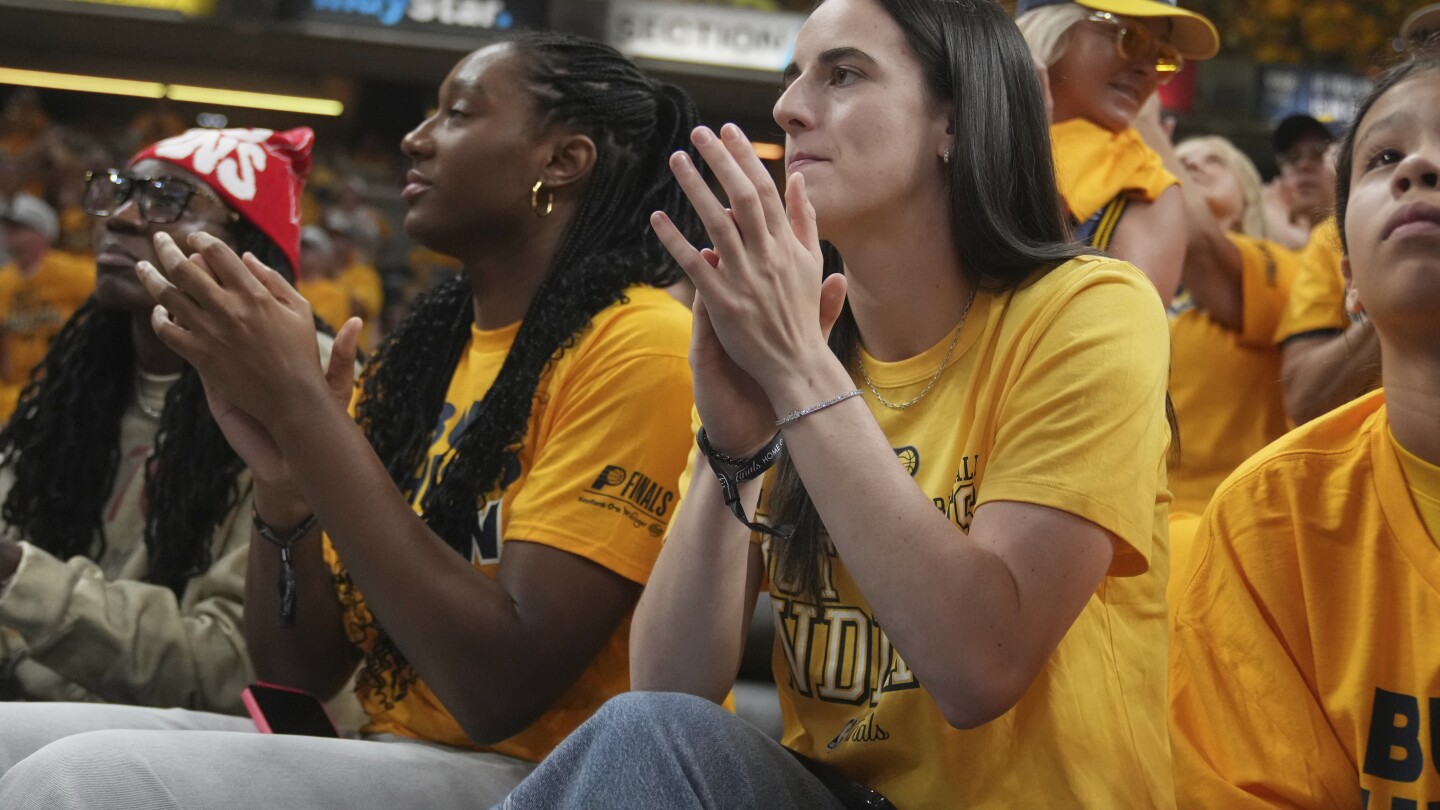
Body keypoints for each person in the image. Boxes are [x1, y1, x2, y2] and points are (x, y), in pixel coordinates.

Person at [0, 32, 702, 807]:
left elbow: (498, 688)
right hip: (387, 743)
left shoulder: (642, 344)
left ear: (562, 161)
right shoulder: (426, 354)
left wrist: (307, 421)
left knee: (75, 779)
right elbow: (297, 675)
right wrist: (284, 492)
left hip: (553, 774)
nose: (414, 138)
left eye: (458, 114)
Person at [502, 0, 1174, 806]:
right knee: (642, 734)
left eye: (843, 73)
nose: (787, 106)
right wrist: (736, 450)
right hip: (833, 791)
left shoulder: (1090, 308)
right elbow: (669, 691)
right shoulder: (798, 343)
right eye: (793, 76)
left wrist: (796, 375)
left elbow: (979, 668)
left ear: (952, 122)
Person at [1169, 49, 1440, 807]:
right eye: (1388, 156)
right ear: (1345, 270)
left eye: (1206, 162)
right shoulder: (1269, 523)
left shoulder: (1254, 269)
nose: (1420, 168)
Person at [0, 128, 323, 719]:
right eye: (120, 192)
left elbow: (236, 670)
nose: (121, 218)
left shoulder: (307, 395)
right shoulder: (81, 384)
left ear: (249, 249)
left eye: (167, 200)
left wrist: (19, 578)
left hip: (189, 754)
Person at [1142, 133, 1301, 599]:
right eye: (1184, 158)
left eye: (1215, 160)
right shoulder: (1138, 277)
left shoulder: (1282, 266)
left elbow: (1198, 246)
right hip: (1131, 529)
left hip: (1229, 525)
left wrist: (1147, 129)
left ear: (1249, 193)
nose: (1193, 165)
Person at [1017, 0, 1219, 306]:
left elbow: (1119, 333)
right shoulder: (949, 125)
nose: (1148, 70)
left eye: (1163, 58)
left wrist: (1029, 160)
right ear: (1052, 29)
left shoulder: (1148, 188)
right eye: (1130, 38)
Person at [0, 192, 93, 421]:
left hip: (66, 386)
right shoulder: (3, 282)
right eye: (8, 228)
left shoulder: (76, 272)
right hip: (15, 393)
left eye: (20, 228)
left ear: (43, 232)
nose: (11, 235)